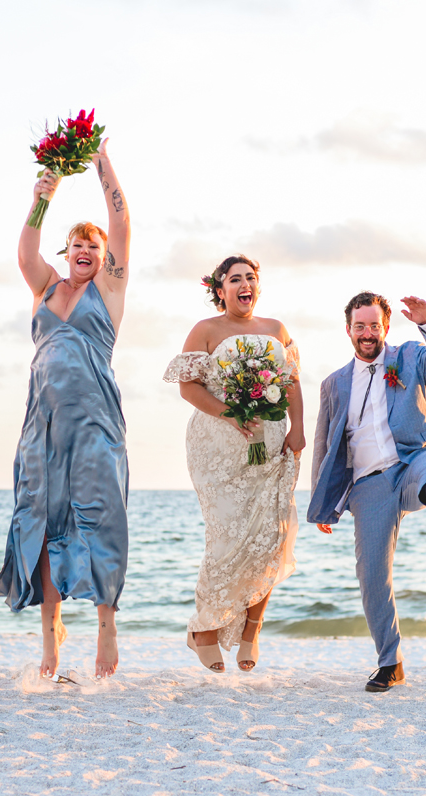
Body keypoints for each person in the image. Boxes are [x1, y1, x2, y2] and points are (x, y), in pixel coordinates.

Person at [0, 139, 131, 680]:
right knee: (43, 521)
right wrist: (41, 198)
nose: (85, 250)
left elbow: (121, 223)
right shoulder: (45, 287)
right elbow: (25, 253)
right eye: (76, 244)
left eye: (92, 247)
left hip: (96, 423)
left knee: (101, 519)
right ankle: (50, 640)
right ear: (65, 252)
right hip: (43, 426)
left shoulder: (109, 291)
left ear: (101, 260)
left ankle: (105, 626)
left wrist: (99, 161)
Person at [308, 292, 426, 692]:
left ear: (385, 328)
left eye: (374, 326)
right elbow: (324, 443)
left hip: (413, 458)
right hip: (368, 484)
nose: (367, 333)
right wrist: (323, 503)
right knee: (372, 575)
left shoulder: (409, 356)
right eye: (360, 326)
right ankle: (390, 662)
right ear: (348, 330)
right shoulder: (333, 383)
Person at [163, 255, 304, 673]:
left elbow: (292, 382)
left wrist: (298, 428)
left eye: (251, 278)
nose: (245, 285)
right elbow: (188, 388)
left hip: (272, 444)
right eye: (235, 279)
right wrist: (231, 412)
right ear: (219, 289)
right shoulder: (205, 330)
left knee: (271, 537)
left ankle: (251, 630)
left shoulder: (276, 329)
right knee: (225, 541)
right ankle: (204, 630)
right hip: (219, 447)